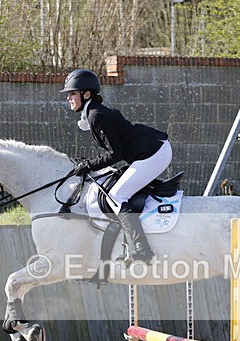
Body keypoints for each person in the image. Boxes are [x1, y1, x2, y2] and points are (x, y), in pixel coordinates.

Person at [60, 68, 172, 263]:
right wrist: (89, 163)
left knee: (117, 194)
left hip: (154, 152)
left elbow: (114, 154)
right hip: (148, 151)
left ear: (86, 94)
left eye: (72, 93)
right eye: (68, 94)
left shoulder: (97, 116)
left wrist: (89, 165)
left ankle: (142, 249)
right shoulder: (93, 114)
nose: (68, 98)